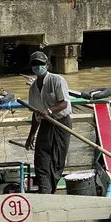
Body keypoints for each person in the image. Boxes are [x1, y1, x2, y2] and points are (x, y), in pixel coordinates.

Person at [24, 51, 72, 194]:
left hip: (61, 123)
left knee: (57, 161)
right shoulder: (33, 88)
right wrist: (31, 135)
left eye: (41, 63)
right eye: (35, 64)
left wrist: (49, 111)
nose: (38, 66)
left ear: (47, 65)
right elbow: (36, 113)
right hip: (46, 124)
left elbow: (64, 103)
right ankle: (45, 191)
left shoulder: (57, 80)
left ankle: (52, 190)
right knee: (41, 157)